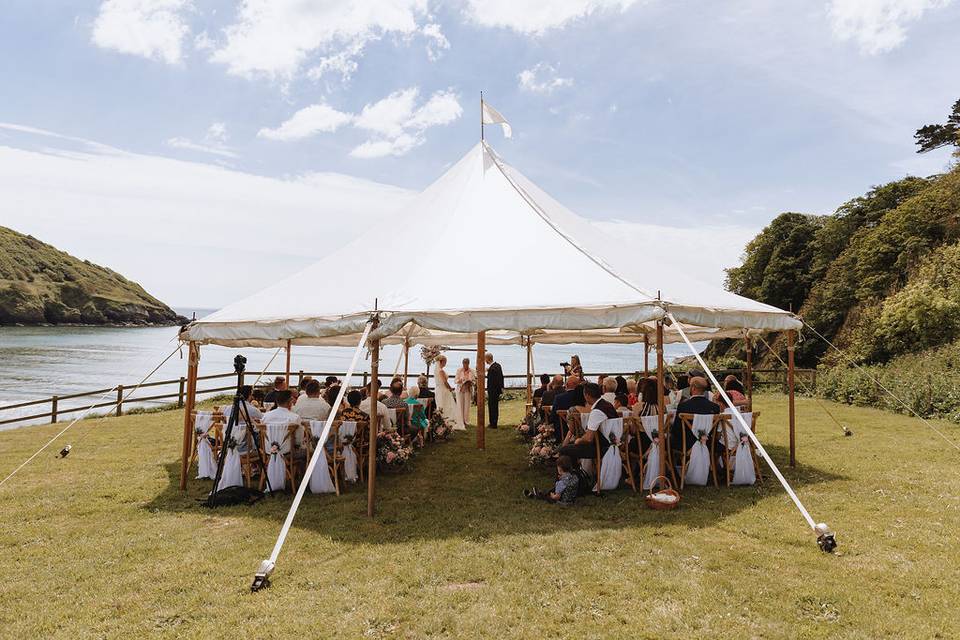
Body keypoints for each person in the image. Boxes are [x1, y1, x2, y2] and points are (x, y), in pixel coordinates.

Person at [559, 382, 618, 467]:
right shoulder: (608, 405)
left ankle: (572, 477)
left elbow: (589, 438)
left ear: (587, 395)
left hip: (602, 447)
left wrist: (579, 440)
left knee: (564, 450)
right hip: (612, 443)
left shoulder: (597, 411)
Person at [671, 376, 720, 454]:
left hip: (687, 445)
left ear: (693, 388)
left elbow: (677, 429)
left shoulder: (683, 406)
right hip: (709, 444)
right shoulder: (715, 407)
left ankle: (677, 464)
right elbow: (716, 429)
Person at [433, 355, 466, 430]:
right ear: (441, 362)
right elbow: (445, 382)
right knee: (447, 405)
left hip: (438, 389)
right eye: (445, 362)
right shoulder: (440, 371)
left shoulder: (436, 370)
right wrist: (450, 388)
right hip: (443, 390)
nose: (446, 363)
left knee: (441, 404)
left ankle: (442, 421)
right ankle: (447, 421)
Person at [485, 352, 504, 429]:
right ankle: (493, 422)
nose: (485, 360)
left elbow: (495, 380)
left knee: (492, 407)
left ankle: (493, 423)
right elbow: (501, 377)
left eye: (485, 359)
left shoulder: (492, 368)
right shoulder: (498, 365)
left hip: (493, 390)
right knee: (494, 406)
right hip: (496, 390)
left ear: (488, 359)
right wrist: (501, 388)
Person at [455, 358, 475, 425]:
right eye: (464, 363)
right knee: (460, 405)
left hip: (468, 390)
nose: (465, 365)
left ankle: (466, 420)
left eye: (466, 363)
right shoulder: (459, 370)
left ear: (468, 363)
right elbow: (455, 380)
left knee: (467, 406)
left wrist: (471, 382)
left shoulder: (472, 371)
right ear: (462, 363)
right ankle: (460, 420)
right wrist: (459, 380)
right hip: (460, 389)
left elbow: (474, 381)